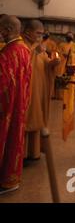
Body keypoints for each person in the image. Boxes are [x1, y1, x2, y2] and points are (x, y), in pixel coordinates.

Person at [0, 15, 32, 195]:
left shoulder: (9, 52)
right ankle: (11, 178)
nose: (0, 33)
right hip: (19, 104)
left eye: (2, 29)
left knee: (6, 141)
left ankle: (5, 181)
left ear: (9, 29)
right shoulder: (24, 49)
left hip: (6, 107)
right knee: (15, 141)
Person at [22, 20, 60, 162]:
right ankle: (23, 154)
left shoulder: (39, 47)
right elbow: (20, 63)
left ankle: (34, 152)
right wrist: (33, 53)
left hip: (39, 89)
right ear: (27, 31)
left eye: (41, 34)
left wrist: (52, 64)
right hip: (27, 90)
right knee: (27, 119)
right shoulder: (21, 45)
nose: (40, 36)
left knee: (38, 117)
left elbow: (45, 64)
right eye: (37, 33)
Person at [57, 32, 75, 140]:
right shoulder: (62, 45)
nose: (69, 37)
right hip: (64, 66)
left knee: (72, 85)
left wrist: (73, 56)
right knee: (64, 85)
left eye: (71, 35)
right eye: (68, 35)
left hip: (73, 68)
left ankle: (73, 96)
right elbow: (57, 54)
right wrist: (64, 56)